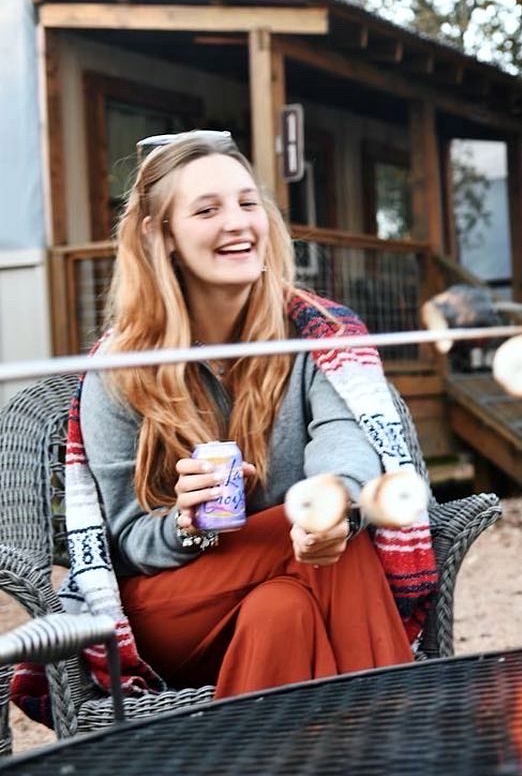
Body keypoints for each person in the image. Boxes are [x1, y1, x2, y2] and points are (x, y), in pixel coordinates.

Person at [13, 131, 438, 725]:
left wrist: (333, 506)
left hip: (295, 579)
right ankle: (414, 755)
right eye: (207, 209)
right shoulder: (121, 368)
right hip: (170, 611)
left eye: (247, 202)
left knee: (283, 609)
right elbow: (125, 541)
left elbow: (347, 446)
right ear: (161, 235)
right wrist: (185, 524)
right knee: (325, 559)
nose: (237, 222)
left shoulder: (315, 335)